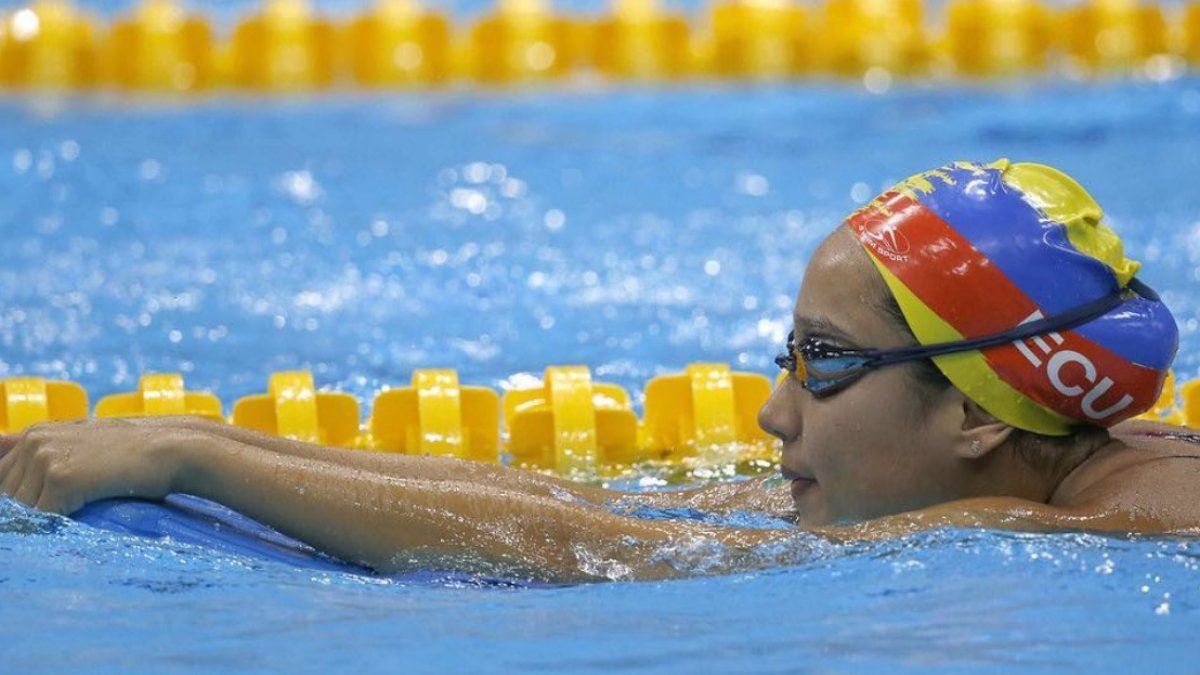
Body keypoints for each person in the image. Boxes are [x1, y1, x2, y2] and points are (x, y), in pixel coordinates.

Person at [2, 159, 1198, 582]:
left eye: (824, 363)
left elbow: (601, 561)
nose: (775, 411)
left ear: (981, 415)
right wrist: (186, 448)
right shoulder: (1017, 485)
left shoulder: (1089, 535)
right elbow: (597, 511)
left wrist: (194, 452)